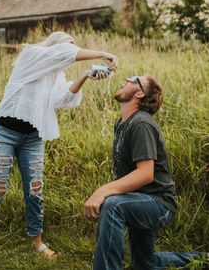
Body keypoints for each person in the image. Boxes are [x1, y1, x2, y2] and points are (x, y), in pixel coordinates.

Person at [0, 31, 117, 257]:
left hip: (32, 138)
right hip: (4, 133)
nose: (71, 53)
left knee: (35, 191)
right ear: (54, 47)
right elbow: (61, 53)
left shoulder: (56, 76)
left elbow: (62, 99)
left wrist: (85, 76)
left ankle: (36, 241)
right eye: (69, 48)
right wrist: (102, 54)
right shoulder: (31, 56)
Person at [84, 75, 207, 270]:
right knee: (144, 264)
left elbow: (145, 174)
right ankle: (204, 259)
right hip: (139, 199)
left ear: (140, 93)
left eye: (133, 79)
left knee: (113, 205)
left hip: (159, 203)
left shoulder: (141, 123)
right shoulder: (123, 123)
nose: (126, 78)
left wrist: (101, 191)